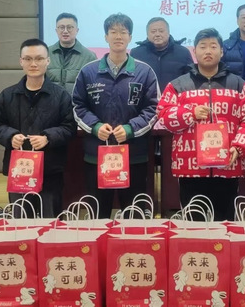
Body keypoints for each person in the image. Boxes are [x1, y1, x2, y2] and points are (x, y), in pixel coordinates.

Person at [157, 28, 245, 220]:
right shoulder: (178, 85)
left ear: (221, 51)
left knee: (225, 223)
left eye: (213, 46)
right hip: (191, 169)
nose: (208, 51)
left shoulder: (238, 84)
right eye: (203, 47)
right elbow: (163, 116)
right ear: (194, 51)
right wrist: (190, 114)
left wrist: (239, 147)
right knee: (193, 224)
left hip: (227, 167)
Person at [72, 13, 159, 218]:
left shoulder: (145, 72)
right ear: (106, 37)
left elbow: (154, 108)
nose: (118, 36)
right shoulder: (88, 71)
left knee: (133, 213)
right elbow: (77, 106)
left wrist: (130, 129)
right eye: (113, 32)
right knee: (98, 214)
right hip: (97, 155)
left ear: (130, 37)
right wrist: (95, 126)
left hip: (134, 154)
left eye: (123, 32)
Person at [0, 39, 76, 218]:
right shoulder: (7, 95)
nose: (33, 64)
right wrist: (10, 136)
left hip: (50, 169)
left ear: (47, 61)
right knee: (21, 221)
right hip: (19, 170)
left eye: (39, 58)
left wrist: (48, 137)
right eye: (28, 59)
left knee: (51, 220)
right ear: (21, 61)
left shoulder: (61, 95)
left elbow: (69, 127)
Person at [130, 17, 193, 89]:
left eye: (161, 31)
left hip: (176, 95)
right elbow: (130, 80)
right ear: (147, 34)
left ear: (168, 33)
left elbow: (191, 79)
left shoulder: (183, 53)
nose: (157, 34)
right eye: (153, 31)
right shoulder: (136, 53)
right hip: (146, 96)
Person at [46, 13, 97, 93]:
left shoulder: (89, 57)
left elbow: (93, 86)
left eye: (69, 27)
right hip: (51, 100)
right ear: (56, 30)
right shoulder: (46, 53)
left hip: (76, 101)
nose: (65, 31)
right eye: (61, 27)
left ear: (77, 30)